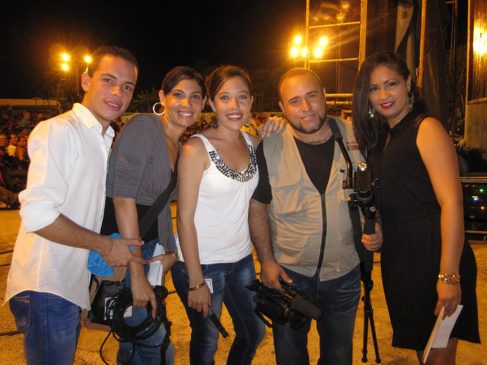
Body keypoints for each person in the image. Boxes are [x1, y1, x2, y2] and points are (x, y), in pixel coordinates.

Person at [5, 46, 145, 365]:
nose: (117, 92)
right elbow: (37, 214)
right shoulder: (59, 130)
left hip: (66, 285)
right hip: (48, 286)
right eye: (108, 80)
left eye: (127, 87)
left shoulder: (102, 137)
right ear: (85, 80)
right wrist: (104, 247)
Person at [351, 51, 480, 364]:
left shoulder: (426, 128)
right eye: (373, 88)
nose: (383, 95)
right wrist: (380, 229)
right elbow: (397, 194)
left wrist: (449, 276)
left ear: (409, 83)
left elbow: (451, 203)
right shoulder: (384, 137)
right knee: (425, 354)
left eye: (391, 84)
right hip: (403, 258)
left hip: (434, 253)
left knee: (438, 357)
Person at [249, 68, 382, 365]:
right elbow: (257, 207)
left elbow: (374, 190)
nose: (305, 108)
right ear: (282, 108)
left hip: (344, 274)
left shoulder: (356, 136)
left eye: (311, 96)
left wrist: (378, 225)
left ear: (324, 96)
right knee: (291, 356)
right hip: (289, 276)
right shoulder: (269, 146)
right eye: (294, 101)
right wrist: (267, 261)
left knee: (338, 357)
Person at [102, 66, 207, 364]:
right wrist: (136, 273)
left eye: (195, 97)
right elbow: (123, 199)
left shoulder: (182, 146)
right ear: (162, 96)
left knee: (134, 343)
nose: (186, 104)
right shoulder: (144, 127)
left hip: (150, 255)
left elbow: (160, 208)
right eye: (178, 95)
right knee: (156, 342)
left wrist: (170, 251)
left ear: (203, 103)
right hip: (125, 254)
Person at [172, 65, 265, 365]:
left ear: (252, 100)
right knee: (207, 341)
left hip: (241, 259)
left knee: (254, 331)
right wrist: (196, 281)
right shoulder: (196, 149)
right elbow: (184, 219)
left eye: (242, 97)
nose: (234, 107)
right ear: (212, 103)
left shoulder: (255, 144)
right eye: (225, 98)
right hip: (201, 265)